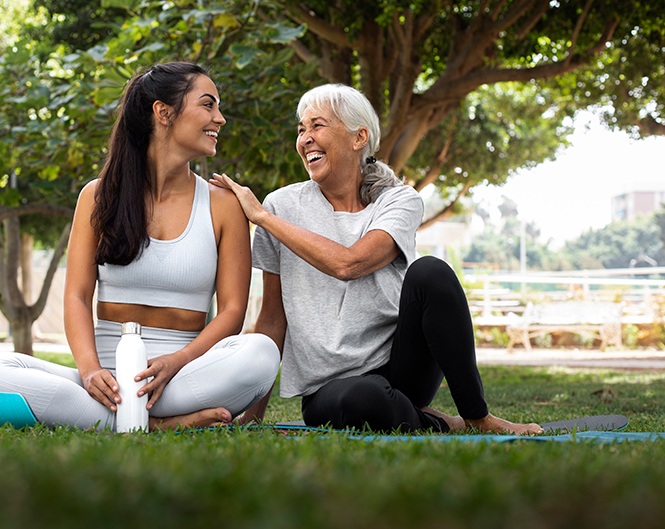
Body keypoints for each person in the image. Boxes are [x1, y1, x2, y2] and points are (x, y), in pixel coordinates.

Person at [213, 83, 542, 435]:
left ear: (359, 138)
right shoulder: (282, 206)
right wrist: (253, 414)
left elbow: (349, 264)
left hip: (402, 368)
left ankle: (478, 418)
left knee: (431, 272)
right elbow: (273, 319)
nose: (305, 138)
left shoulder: (399, 201)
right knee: (365, 400)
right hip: (330, 387)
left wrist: (262, 219)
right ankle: (443, 422)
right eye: (301, 129)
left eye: (317, 125)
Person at [0, 62, 280, 432]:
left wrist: (175, 362)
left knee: (261, 353)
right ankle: (159, 425)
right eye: (208, 105)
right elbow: (77, 296)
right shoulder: (97, 196)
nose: (221, 118)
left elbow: (232, 311)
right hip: (106, 381)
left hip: (181, 377)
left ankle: (112, 420)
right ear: (164, 113)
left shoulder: (223, 204)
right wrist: (89, 371)